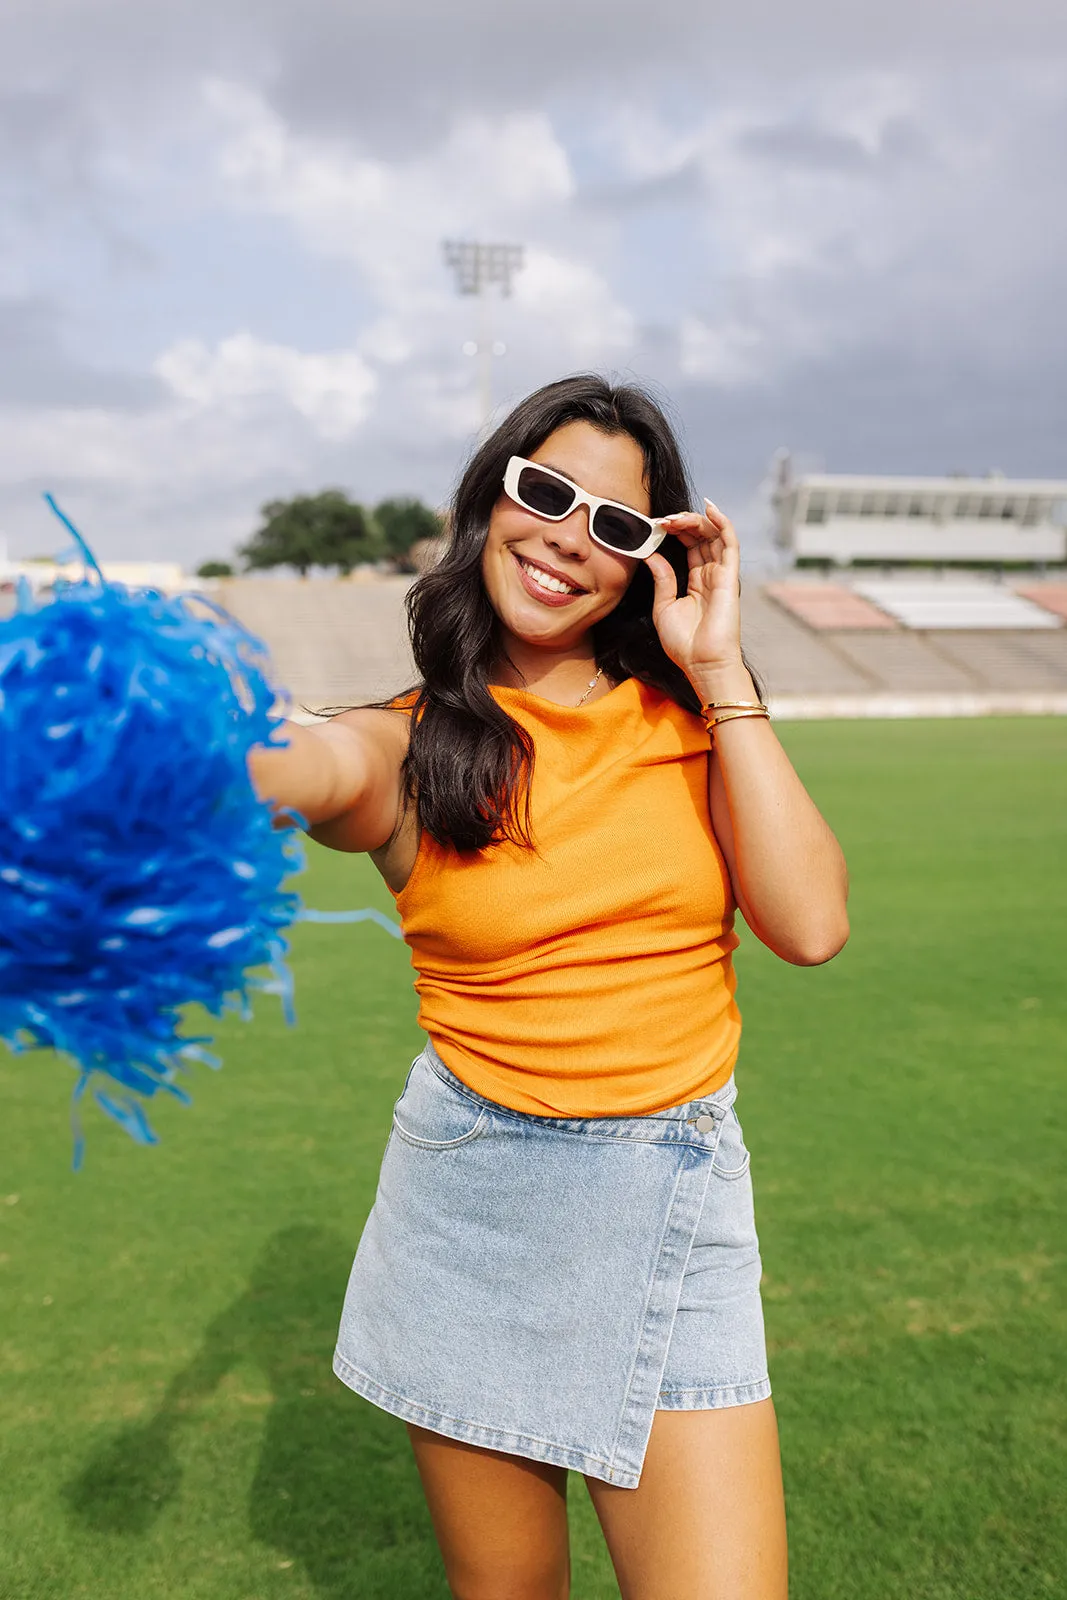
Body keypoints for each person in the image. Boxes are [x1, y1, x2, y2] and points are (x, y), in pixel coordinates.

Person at [249, 374, 849, 1600]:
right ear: (490, 500)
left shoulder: (692, 726)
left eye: (617, 527)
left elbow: (811, 924)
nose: (569, 539)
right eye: (544, 493)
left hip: (674, 1205)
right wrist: (197, 740)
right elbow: (307, 760)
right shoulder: (411, 744)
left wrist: (721, 665)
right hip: (473, 1206)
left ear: (648, 565)